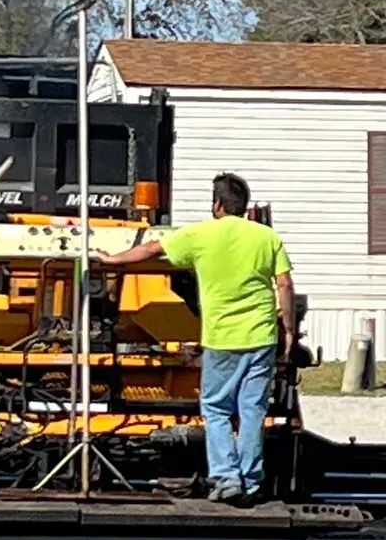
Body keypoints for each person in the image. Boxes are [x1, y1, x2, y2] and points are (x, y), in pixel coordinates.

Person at [92, 172, 294, 503]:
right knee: (252, 410)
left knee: (215, 408)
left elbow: (151, 250)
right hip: (261, 335)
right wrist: (287, 329)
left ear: (217, 205)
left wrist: (111, 259)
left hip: (222, 338)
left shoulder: (200, 234)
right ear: (243, 207)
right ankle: (251, 482)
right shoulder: (266, 237)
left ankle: (227, 477)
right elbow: (284, 284)